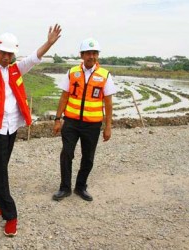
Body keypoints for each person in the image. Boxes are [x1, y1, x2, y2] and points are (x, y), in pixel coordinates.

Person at [0, 16, 61, 237]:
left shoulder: (15, 70)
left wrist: (49, 43)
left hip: (12, 127)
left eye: (9, 54)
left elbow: (34, 58)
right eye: (2, 53)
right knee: (2, 171)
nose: (6, 57)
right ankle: (10, 215)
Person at [52, 38, 116, 202]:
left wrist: (108, 127)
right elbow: (64, 97)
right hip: (71, 123)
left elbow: (108, 103)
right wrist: (57, 119)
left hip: (92, 125)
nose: (92, 56)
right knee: (66, 154)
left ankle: (81, 187)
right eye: (88, 53)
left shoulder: (104, 75)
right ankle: (64, 188)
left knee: (88, 157)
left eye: (95, 53)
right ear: (82, 55)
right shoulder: (72, 72)